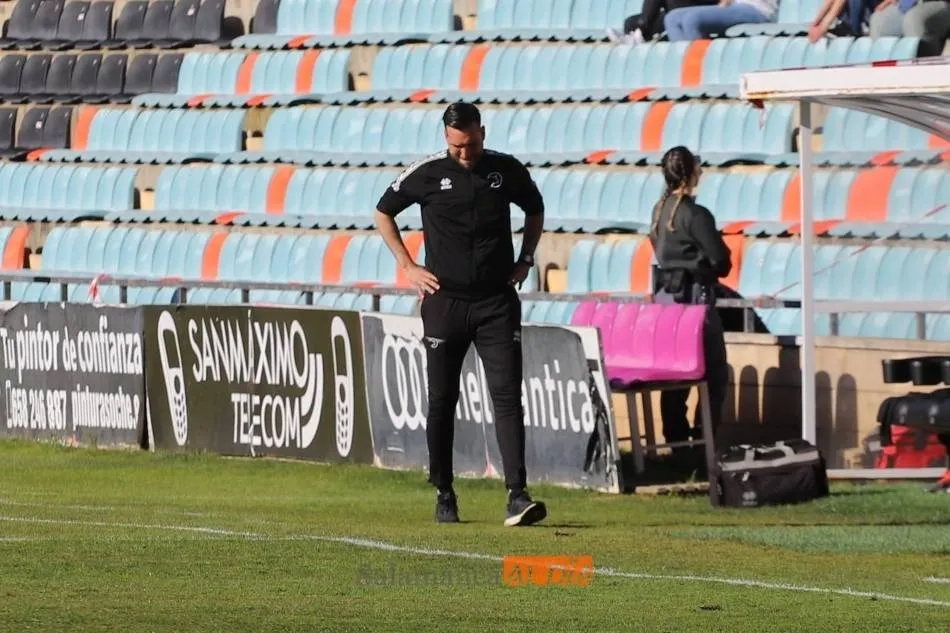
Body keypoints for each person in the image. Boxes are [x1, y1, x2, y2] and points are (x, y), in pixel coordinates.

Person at [374, 101, 548, 527]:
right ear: (445, 139)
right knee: (442, 400)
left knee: (507, 398)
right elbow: (383, 212)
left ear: (482, 133)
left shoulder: (505, 170)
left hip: (495, 303)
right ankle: (444, 492)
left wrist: (526, 258)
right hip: (445, 303)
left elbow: (535, 209)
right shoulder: (427, 173)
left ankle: (516, 494)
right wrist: (408, 266)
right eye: (455, 147)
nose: (464, 154)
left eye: (469, 145)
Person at [648, 146, 731, 474]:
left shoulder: (660, 210)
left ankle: (677, 444)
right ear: (691, 172)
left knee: (676, 378)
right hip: (695, 302)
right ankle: (701, 445)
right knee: (714, 374)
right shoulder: (695, 215)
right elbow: (721, 261)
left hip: (668, 304)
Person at [607, 0, 719, 44]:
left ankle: (641, 31)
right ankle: (639, 31)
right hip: (679, 9)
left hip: (709, 6)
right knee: (630, 22)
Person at [664, 0, 780, 41]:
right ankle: (683, 68)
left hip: (758, 10)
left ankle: (700, 69)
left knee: (692, 19)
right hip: (735, 6)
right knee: (672, 18)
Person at [870, 0, 950, 56]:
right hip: (907, 4)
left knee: (914, 20)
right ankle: (884, 76)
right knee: (879, 20)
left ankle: (924, 73)